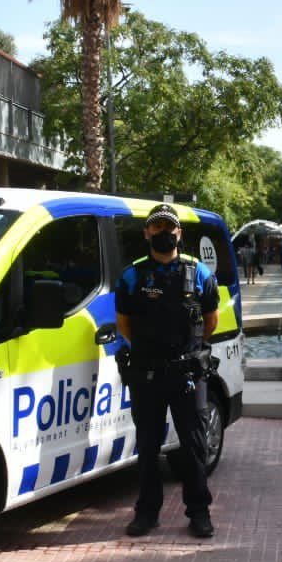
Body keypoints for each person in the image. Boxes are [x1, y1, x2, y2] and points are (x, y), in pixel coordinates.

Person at [115, 204, 221, 539]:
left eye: (169, 229)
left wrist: (186, 352)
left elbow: (211, 320)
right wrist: (153, 352)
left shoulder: (199, 273)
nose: (163, 234)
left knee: (193, 446)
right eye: (156, 228)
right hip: (147, 374)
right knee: (147, 447)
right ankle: (147, 513)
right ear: (146, 233)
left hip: (188, 374)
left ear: (179, 234)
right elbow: (124, 325)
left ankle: (199, 513)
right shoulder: (132, 276)